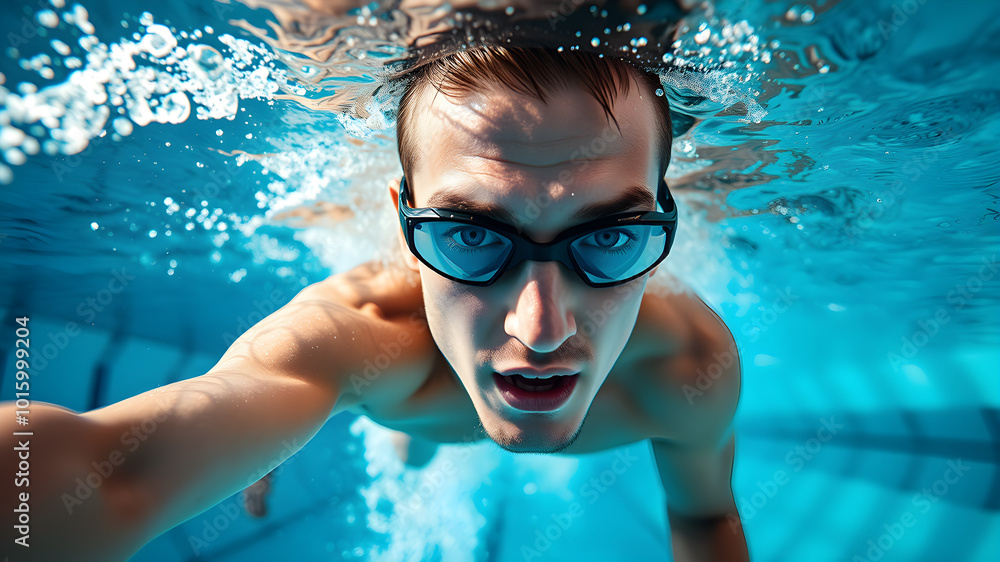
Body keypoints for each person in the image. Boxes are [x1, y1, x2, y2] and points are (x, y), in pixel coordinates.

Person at [1, 45, 748, 561]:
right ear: (402, 218)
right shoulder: (358, 334)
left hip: (416, 393)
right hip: (410, 396)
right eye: (468, 236)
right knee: (412, 437)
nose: (541, 328)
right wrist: (242, 442)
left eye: (612, 237)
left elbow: (707, 515)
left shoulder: (688, 366)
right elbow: (106, 475)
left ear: (665, 220)